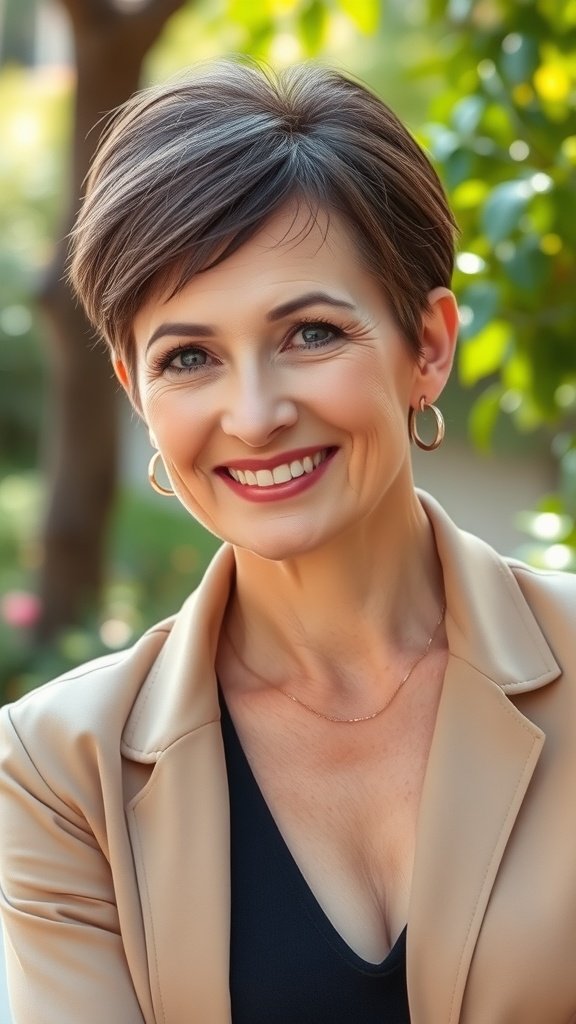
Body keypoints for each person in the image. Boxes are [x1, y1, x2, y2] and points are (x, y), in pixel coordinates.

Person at [0, 59, 575, 1024]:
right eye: (189, 358)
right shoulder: (62, 771)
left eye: (310, 333)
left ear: (428, 347)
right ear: (137, 392)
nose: (256, 415)